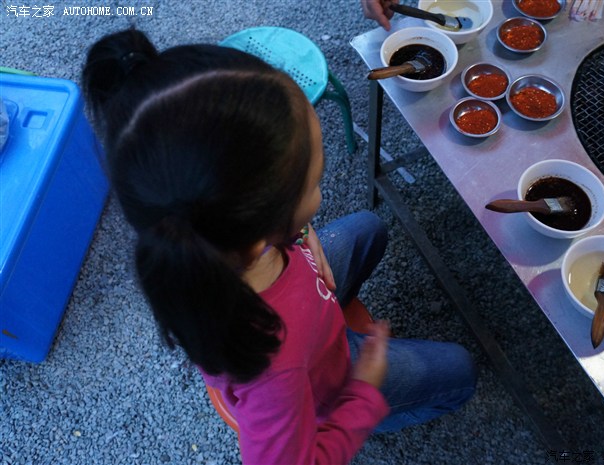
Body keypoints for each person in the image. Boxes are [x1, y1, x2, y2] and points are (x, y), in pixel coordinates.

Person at [82, 28, 476, 465]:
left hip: (304, 301)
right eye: (313, 183)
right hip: (327, 377)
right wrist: (362, 397)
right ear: (259, 225)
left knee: (369, 228)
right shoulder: (273, 371)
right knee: (461, 369)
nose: (319, 188)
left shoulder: (202, 226)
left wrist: (300, 233)